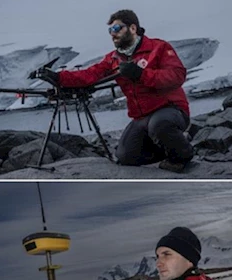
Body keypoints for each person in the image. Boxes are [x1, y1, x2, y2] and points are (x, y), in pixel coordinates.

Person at [32, 10, 195, 172]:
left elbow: (177, 75)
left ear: (132, 28)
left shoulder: (158, 47)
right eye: (110, 30)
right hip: (141, 117)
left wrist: (141, 74)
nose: (112, 34)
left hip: (170, 109)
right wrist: (58, 78)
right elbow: (90, 74)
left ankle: (182, 156)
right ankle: (172, 145)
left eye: (117, 29)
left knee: (160, 124)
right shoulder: (114, 58)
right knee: (126, 157)